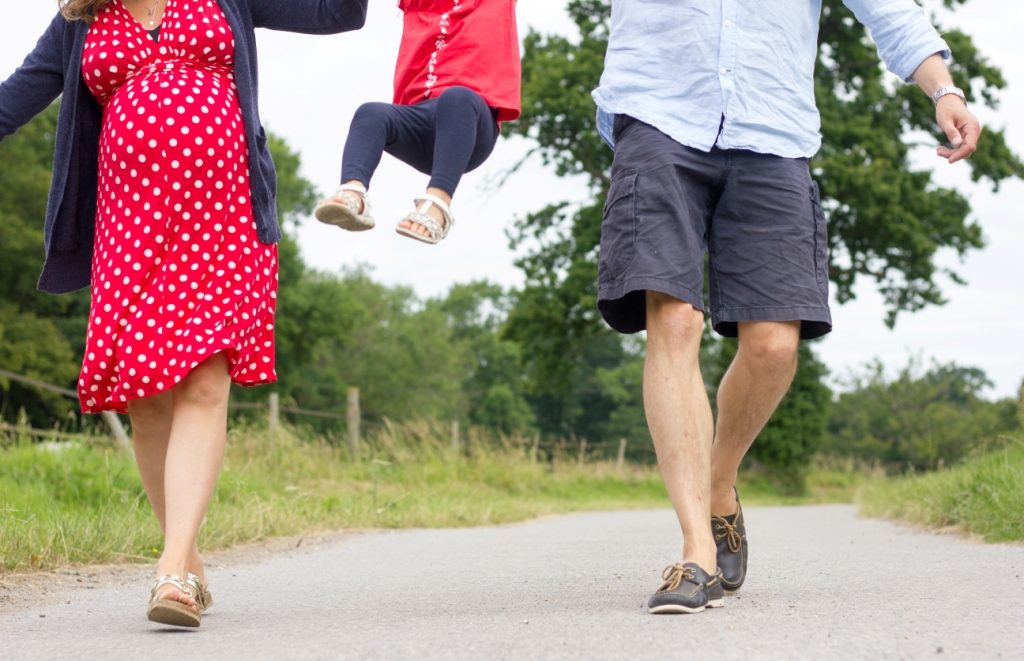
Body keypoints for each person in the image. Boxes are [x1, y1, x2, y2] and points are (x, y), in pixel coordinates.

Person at [592, 1, 981, 614]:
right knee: (673, 317)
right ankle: (696, 554)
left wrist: (943, 91)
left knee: (774, 344)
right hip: (658, 114)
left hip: (773, 130)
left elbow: (889, 11)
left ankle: (720, 479)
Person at [0, 0, 367, 627]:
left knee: (204, 379)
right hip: (128, 227)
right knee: (146, 398)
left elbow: (340, 12)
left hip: (221, 216)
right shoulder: (81, 20)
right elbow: (12, 102)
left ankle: (171, 570)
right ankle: (188, 562)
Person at [314, 0, 520, 245]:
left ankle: (438, 203)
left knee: (457, 97)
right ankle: (353, 194)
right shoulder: (418, 3)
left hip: (471, 126)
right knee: (371, 113)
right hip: (420, 124)